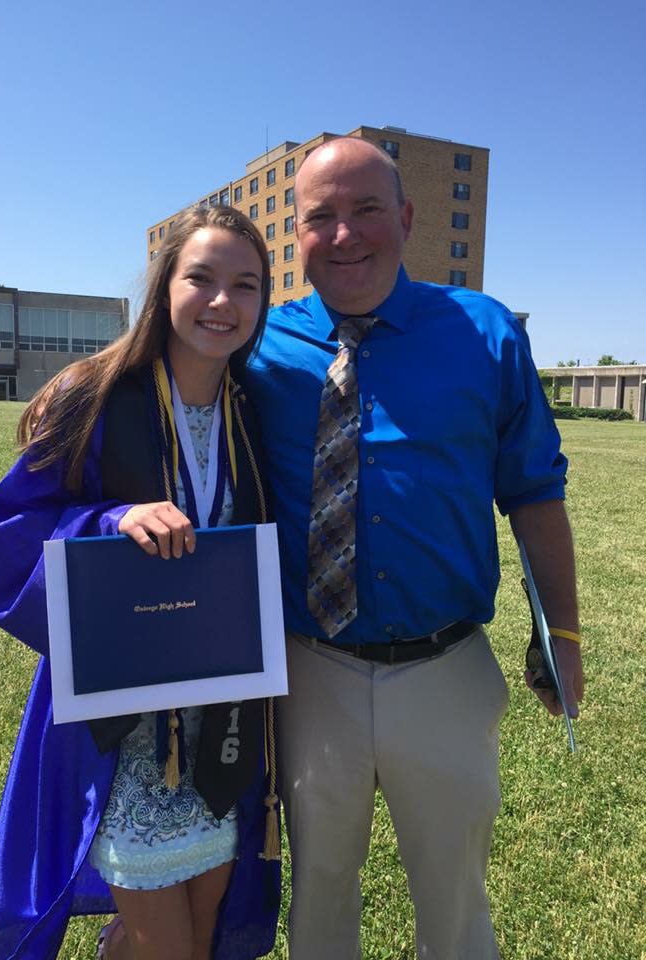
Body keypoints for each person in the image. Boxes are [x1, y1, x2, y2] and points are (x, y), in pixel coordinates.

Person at [241, 137, 583, 960]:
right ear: (296, 233)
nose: (346, 233)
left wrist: (562, 637)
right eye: (321, 217)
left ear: (406, 216)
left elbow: (535, 495)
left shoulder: (485, 332)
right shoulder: (258, 347)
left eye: (366, 209)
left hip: (446, 669)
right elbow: (164, 362)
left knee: (455, 891)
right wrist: (80, 390)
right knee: (320, 889)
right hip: (309, 666)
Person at [0, 205, 280, 960]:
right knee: (168, 945)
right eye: (200, 278)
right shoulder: (95, 394)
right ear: (163, 285)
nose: (222, 302)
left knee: (199, 934)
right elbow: (9, 533)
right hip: (122, 730)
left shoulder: (257, 411)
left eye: (246, 285)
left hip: (223, 722)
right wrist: (109, 522)